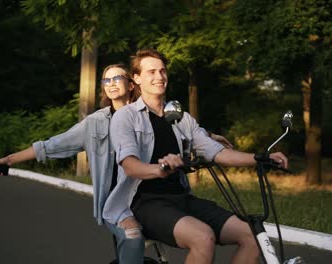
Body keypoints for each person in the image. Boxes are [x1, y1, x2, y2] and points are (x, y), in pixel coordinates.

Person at [0, 63, 232, 264]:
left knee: (200, 236)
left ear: (131, 83)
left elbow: (181, 131)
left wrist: (209, 136)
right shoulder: (95, 123)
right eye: (107, 81)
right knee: (133, 236)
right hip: (121, 203)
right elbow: (52, 145)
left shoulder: (150, 113)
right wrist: (9, 160)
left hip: (160, 197)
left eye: (118, 78)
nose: (112, 83)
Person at [109, 48, 288, 264]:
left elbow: (217, 152)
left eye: (163, 71)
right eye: (151, 72)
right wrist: (160, 168)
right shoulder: (125, 117)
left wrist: (261, 157)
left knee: (253, 235)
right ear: (136, 78)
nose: (159, 77)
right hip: (146, 202)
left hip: (182, 198)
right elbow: (130, 165)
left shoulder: (182, 118)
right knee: (203, 237)